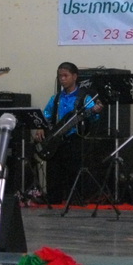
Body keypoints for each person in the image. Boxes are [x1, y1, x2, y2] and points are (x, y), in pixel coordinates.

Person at [33, 62, 102, 204]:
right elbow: (46, 115)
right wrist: (40, 127)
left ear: (75, 77)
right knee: (53, 170)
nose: (62, 79)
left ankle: (74, 198)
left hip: (74, 140)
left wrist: (95, 111)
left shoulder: (84, 98)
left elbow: (94, 118)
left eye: (66, 76)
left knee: (73, 170)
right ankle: (53, 198)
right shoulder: (56, 98)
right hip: (56, 141)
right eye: (60, 76)